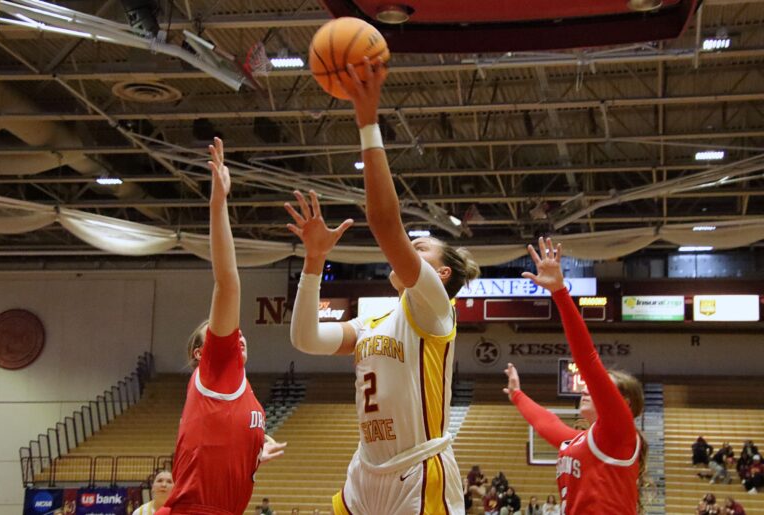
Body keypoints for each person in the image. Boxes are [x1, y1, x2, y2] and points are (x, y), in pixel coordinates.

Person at [287, 58, 480, 515]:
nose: (411, 248)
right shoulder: (374, 317)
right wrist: (313, 261)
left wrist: (368, 120)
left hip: (418, 471)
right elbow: (305, 339)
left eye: (422, 247)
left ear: (442, 273)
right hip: (365, 471)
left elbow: (383, 223)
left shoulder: (434, 308)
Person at [156, 138, 286, 515]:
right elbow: (228, 281)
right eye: (222, 333)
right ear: (202, 352)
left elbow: (219, 449)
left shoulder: (241, 393)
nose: (237, 333)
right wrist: (218, 203)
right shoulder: (218, 367)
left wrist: (256, 448)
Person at [504, 237, 647, 515]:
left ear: (623, 403)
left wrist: (559, 292)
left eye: (598, 389)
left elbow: (588, 360)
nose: (586, 390)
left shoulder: (620, 431)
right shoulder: (582, 440)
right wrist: (517, 395)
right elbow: (547, 423)